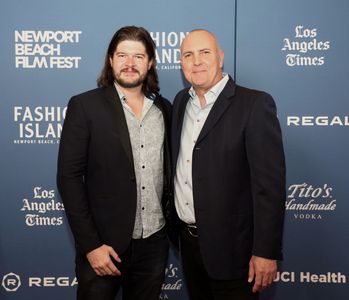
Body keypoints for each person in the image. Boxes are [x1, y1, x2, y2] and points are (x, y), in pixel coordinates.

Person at [57, 26, 172, 300]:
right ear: (111, 60)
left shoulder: (164, 109)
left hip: (154, 244)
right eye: (122, 55)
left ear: (151, 62)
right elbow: (69, 178)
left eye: (139, 57)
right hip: (103, 246)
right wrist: (91, 245)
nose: (130, 64)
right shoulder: (85, 106)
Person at [171, 29, 286, 300]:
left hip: (236, 252)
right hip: (188, 247)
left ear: (220, 58)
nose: (196, 61)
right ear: (181, 63)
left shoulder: (255, 105)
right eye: (188, 55)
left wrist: (266, 251)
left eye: (205, 53)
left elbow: (269, 187)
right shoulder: (179, 103)